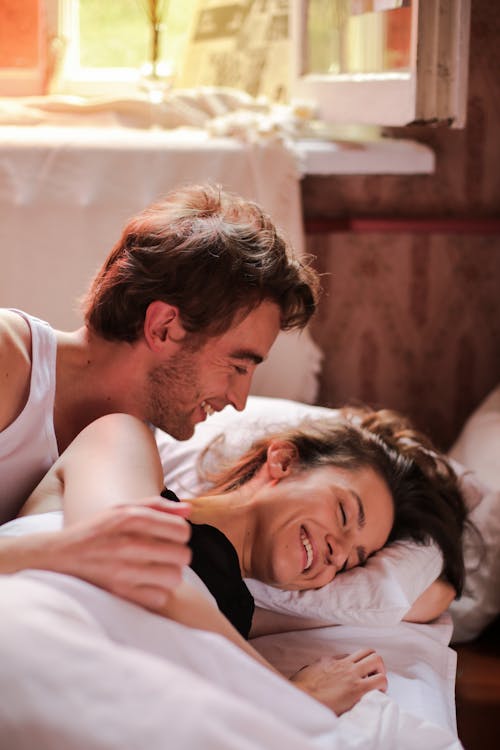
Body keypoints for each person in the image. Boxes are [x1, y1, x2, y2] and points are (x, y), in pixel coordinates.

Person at [6, 403, 466, 716]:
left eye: (351, 562)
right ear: (283, 461)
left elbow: (426, 596)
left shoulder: (240, 617)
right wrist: (289, 695)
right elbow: (124, 569)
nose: (336, 553)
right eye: (344, 513)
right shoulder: (122, 438)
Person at [0, 183, 319, 610]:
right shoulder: (10, 361)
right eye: (238, 366)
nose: (239, 400)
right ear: (164, 326)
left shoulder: (129, 452)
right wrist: (57, 553)